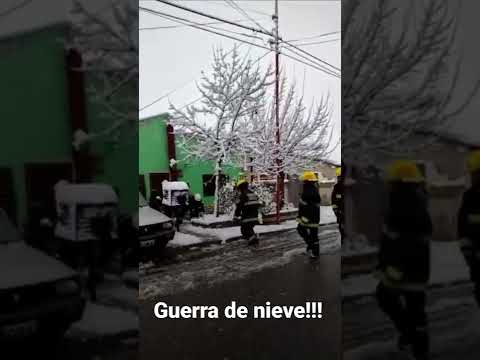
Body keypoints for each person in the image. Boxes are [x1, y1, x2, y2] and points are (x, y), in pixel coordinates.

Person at [375, 160, 432, 360]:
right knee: (416, 310)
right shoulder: (417, 201)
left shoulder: (403, 204)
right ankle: (419, 348)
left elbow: (403, 242)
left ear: (399, 183)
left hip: (402, 269)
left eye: (392, 182)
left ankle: (411, 337)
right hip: (417, 269)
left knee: (385, 296)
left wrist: (393, 269)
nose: (389, 185)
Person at [458, 150, 480, 308]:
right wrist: (468, 254)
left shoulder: (470, 196)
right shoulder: (470, 196)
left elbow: (463, 228)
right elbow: (463, 228)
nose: (472, 177)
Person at [297, 171, 321, 259]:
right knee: (313, 234)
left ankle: (313, 249)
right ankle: (314, 249)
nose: (303, 182)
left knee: (301, 229)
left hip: (308, 217)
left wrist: (304, 218)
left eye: (304, 181)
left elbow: (308, 207)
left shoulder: (309, 191)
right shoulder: (312, 189)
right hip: (313, 217)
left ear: (307, 181)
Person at [234, 179, 262, 246]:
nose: (239, 190)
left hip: (247, 217)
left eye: (239, 189)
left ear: (241, 188)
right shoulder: (252, 194)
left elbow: (239, 206)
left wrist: (236, 216)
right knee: (249, 228)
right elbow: (258, 204)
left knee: (244, 229)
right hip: (255, 216)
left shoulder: (243, 195)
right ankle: (253, 239)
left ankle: (253, 239)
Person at [331, 166, 344, 242]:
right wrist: (336, 211)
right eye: (339, 177)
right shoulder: (337, 187)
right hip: (341, 214)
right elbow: (334, 201)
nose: (339, 178)